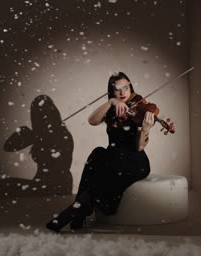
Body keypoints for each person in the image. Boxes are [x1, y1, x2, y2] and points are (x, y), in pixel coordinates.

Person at [45, 72, 155, 232]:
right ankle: (80, 211)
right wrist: (111, 102)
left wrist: (145, 129)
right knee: (97, 153)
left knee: (105, 169)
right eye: (118, 90)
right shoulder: (112, 108)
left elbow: (139, 147)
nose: (123, 92)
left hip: (134, 162)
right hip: (114, 158)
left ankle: (75, 211)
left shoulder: (140, 109)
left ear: (131, 88)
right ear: (112, 91)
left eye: (126, 87)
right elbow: (92, 120)